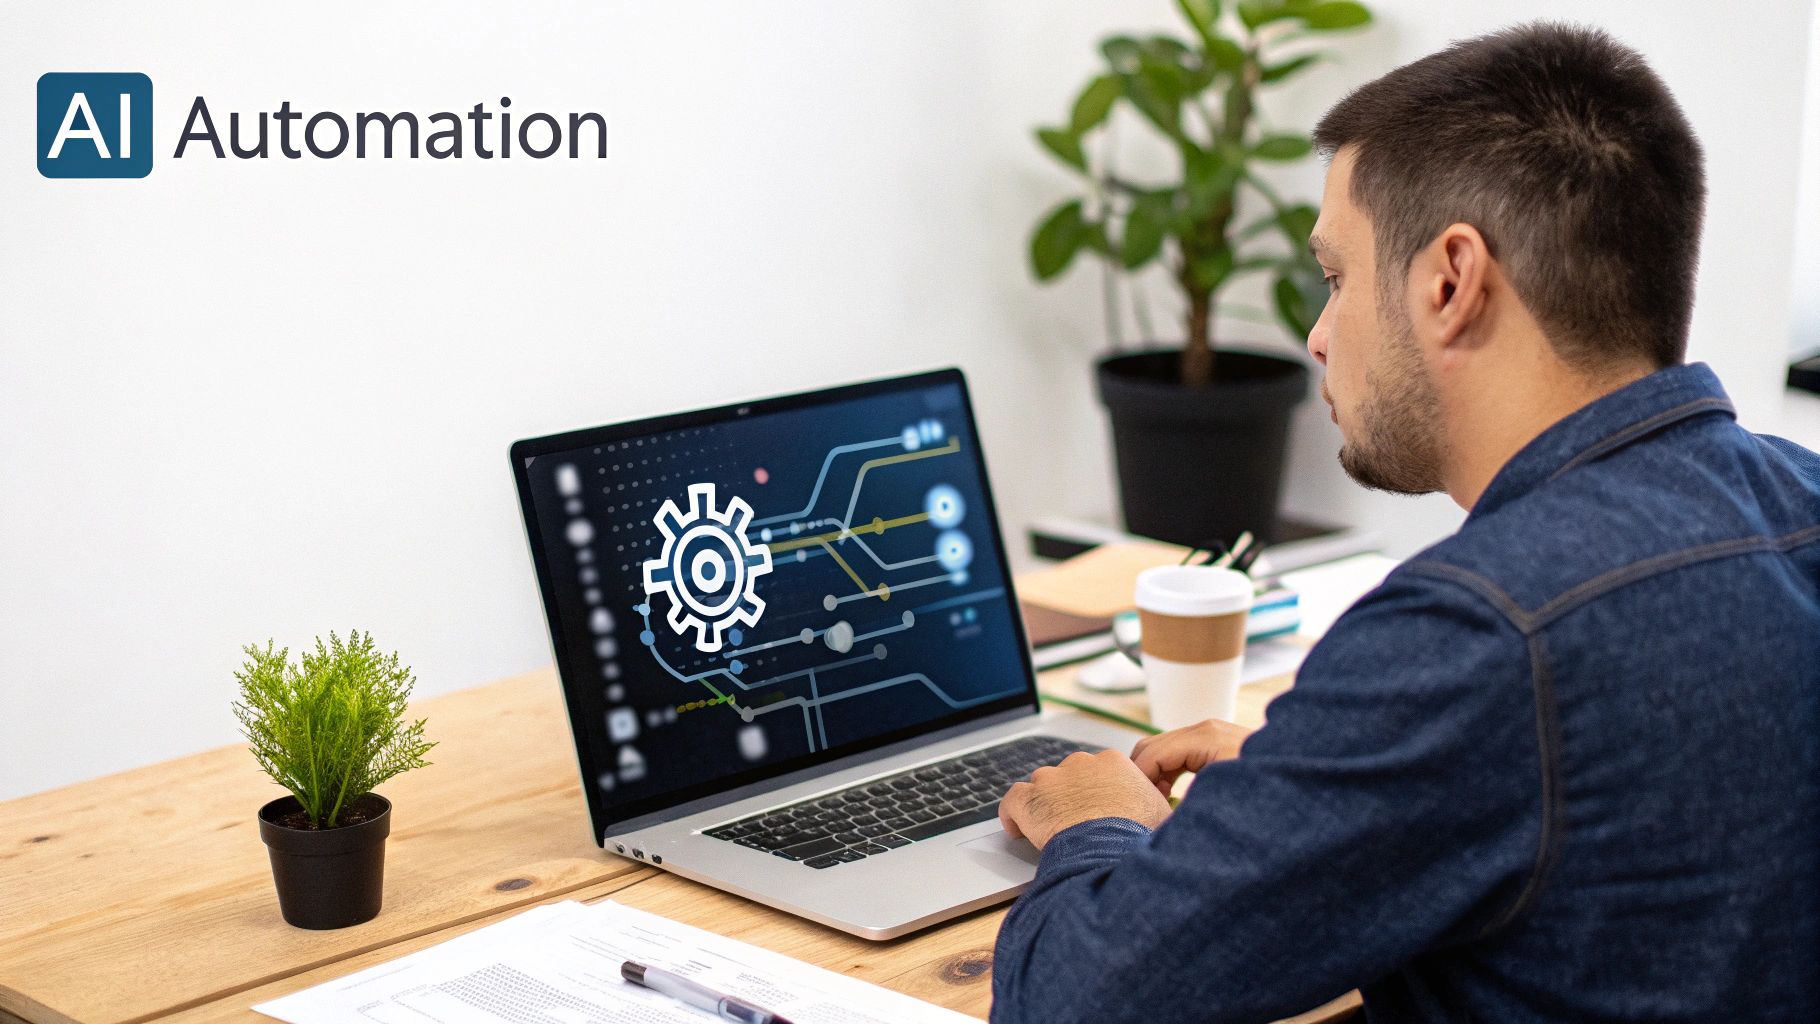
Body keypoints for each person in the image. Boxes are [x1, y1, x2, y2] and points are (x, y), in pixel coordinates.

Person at [991, 21, 1820, 1023]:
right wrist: (1324, 781)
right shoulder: (1798, 500)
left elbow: (1068, 1002)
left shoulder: (1474, 631)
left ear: (1448, 282)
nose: (1315, 334)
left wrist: (1096, 824)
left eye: (1335, 277)